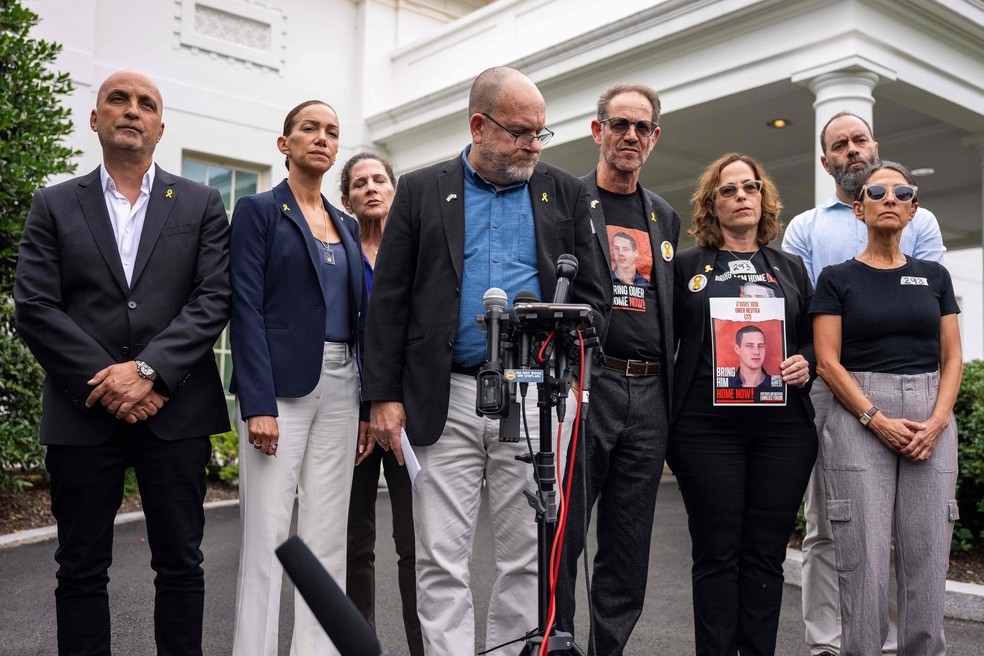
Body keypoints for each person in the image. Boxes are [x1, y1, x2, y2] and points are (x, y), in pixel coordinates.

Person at [363, 66, 606, 656]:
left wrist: (567, 371)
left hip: (533, 396)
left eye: (540, 134)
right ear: (479, 124)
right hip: (441, 397)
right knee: (440, 557)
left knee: (524, 555)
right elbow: (389, 299)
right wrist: (383, 396)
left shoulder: (565, 192)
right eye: (521, 132)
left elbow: (595, 296)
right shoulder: (421, 189)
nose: (532, 146)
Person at [13, 70, 231, 656]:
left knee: (182, 566)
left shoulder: (201, 202)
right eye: (118, 99)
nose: (132, 110)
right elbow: (34, 306)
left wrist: (149, 371)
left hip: (176, 410)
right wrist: (113, 381)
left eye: (146, 104)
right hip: (82, 412)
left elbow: (213, 298)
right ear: (96, 119)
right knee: (80, 569)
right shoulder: (54, 204)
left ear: (161, 126)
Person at [782, 111, 945, 656]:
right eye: (839, 145)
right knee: (832, 525)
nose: (851, 150)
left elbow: (922, 300)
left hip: (911, 382)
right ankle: (832, 645)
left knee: (909, 531)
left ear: (874, 145)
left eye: (859, 140)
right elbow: (799, 310)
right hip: (832, 381)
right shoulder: (806, 227)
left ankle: (896, 642)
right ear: (826, 160)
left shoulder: (918, 220)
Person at [229, 100, 367, 656]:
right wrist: (257, 400)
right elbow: (246, 307)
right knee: (266, 539)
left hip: (342, 388)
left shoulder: (349, 224)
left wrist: (367, 400)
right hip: (279, 394)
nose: (322, 138)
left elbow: (362, 318)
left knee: (326, 539)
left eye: (332, 132)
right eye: (309, 129)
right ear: (283, 142)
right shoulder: (258, 211)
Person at [668, 153, 817, 655]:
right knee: (716, 553)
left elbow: (815, 340)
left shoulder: (790, 268)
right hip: (704, 431)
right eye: (727, 190)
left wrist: (804, 362)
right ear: (712, 203)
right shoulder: (685, 265)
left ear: (763, 198)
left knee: (764, 556)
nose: (740, 196)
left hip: (782, 432)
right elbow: (659, 336)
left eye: (749, 187)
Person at [811, 161, 961, 655]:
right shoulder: (836, 279)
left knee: (927, 555)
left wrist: (937, 421)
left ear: (914, 209)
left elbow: (953, 356)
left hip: (928, 412)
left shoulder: (934, 276)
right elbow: (829, 363)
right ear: (859, 208)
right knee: (865, 559)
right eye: (878, 191)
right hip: (859, 414)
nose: (890, 198)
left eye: (903, 192)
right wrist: (874, 418)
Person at [554, 82, 680, 655]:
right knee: (566, 533)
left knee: (629, 544)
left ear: (653, 138)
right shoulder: (565, 200)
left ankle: (610, 648)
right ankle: (557, 641)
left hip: (651, 392)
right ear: (597, 129)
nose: (630, 135)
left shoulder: (664, 216)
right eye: (620, 124)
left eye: (641, 127)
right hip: (590, 382)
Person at [339, 152, 424, 656]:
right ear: (346, 198)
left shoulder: (417, 248)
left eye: (379, 180)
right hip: (349, 415)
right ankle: (361, 646)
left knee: (416, 546)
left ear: (394, 189)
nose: (371, 188)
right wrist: (361, 408)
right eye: (359, 183)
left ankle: (423, 647)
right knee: (356, 545)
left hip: (408, 413)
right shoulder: (339, 249)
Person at [727, 325, 781, 390]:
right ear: (737, 349)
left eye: (760, 346)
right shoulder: (725, 384)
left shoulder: (778, 384)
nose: (757, 352)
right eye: (749, 346)